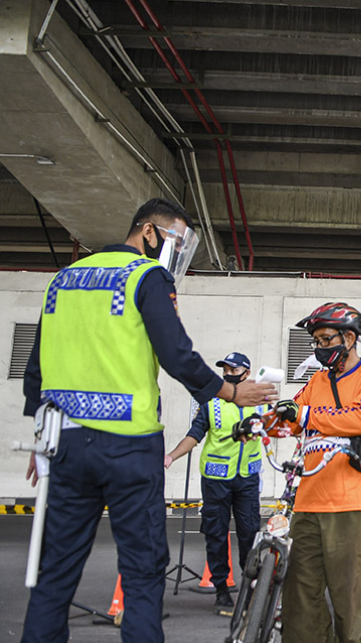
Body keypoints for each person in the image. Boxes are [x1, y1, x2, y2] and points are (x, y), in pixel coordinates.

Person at [19, 198, 277, 643]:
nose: (173, 257)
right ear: (149, 233)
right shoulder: (146, 276)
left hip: (67, 444)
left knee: (55, 571)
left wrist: (42, 436)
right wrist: (233, 392)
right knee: (142, 570)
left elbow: (35, 371)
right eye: (175, 242)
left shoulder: (62, 280)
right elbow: (177, 354)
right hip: (129, 446)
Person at [266, 302, 361, 643]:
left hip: (353, 502)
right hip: (307, 502)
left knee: (350, 602)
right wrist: (265, 420)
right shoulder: (315, 381)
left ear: (348, 338)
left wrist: (304, 416)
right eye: (316, 342)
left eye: (325, 340)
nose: (320, 348)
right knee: (300, 600)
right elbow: (289, 420)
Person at [164, 351, 269, 615]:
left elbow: (277, 427)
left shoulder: (260, 402)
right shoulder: (211, 401)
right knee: (215, 533)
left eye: (233, 370)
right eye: (225, 369)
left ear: (246, 373)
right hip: (215, 479)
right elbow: (195, 434)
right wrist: (171, 456)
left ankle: (250, 584)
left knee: (249, 534)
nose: (227, 374)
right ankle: (222, 590)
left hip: (246, 478)